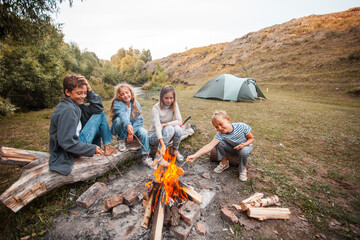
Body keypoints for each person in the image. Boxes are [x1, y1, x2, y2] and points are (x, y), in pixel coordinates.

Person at [49, 75, 115, 176]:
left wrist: (89, 87)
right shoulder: (68, 110)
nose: (83, 96)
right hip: (70, 150)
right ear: (67, 92)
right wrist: (91, 149)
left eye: (85, 93)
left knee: (98, 125)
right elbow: (67, 142)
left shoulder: (75, 105)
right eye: (79, 93)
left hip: (75, 143)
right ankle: (106, 147)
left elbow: (98, 107)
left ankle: (103, 149)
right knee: (100, 115)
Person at [186, 110, 254, 181]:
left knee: (244, 151)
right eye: (216, 127)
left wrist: (243, 145)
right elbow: (209, 146)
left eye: (220, 124)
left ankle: (242, 169)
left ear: (228, 120)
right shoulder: (220, 135)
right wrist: (195, 155)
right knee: (218, 142)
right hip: (232, 148)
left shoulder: (241, 126)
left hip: (245, 147)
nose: (220, 128)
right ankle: (224, 163)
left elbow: (251, 139)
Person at [110, 83, 153, 169]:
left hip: (133, 128)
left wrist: (131, 133)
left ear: (131, 92)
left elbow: (139, 120)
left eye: (127, 92)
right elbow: (122, 115)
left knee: (144, 133)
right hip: (123, 127)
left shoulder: (136, 104)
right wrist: (128, 125)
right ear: (119, 96)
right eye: (122, 94)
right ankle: (121, 139)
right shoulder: (117, 103)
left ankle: (145, 156)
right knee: (118, 120)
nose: (125, 95)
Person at [149, 85, 184, 164]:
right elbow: (158, 127)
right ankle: (158, 157)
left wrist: (165, 124)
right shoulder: (156, 108)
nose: (169, 100)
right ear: (161, 97)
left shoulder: (174, 105)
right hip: (154, 137)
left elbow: (179, 121)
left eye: (171, 98)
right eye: (166, 98)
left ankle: (175, 152)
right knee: (170, 129)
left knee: (178, 129)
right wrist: (162, 144)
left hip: (167, 134)